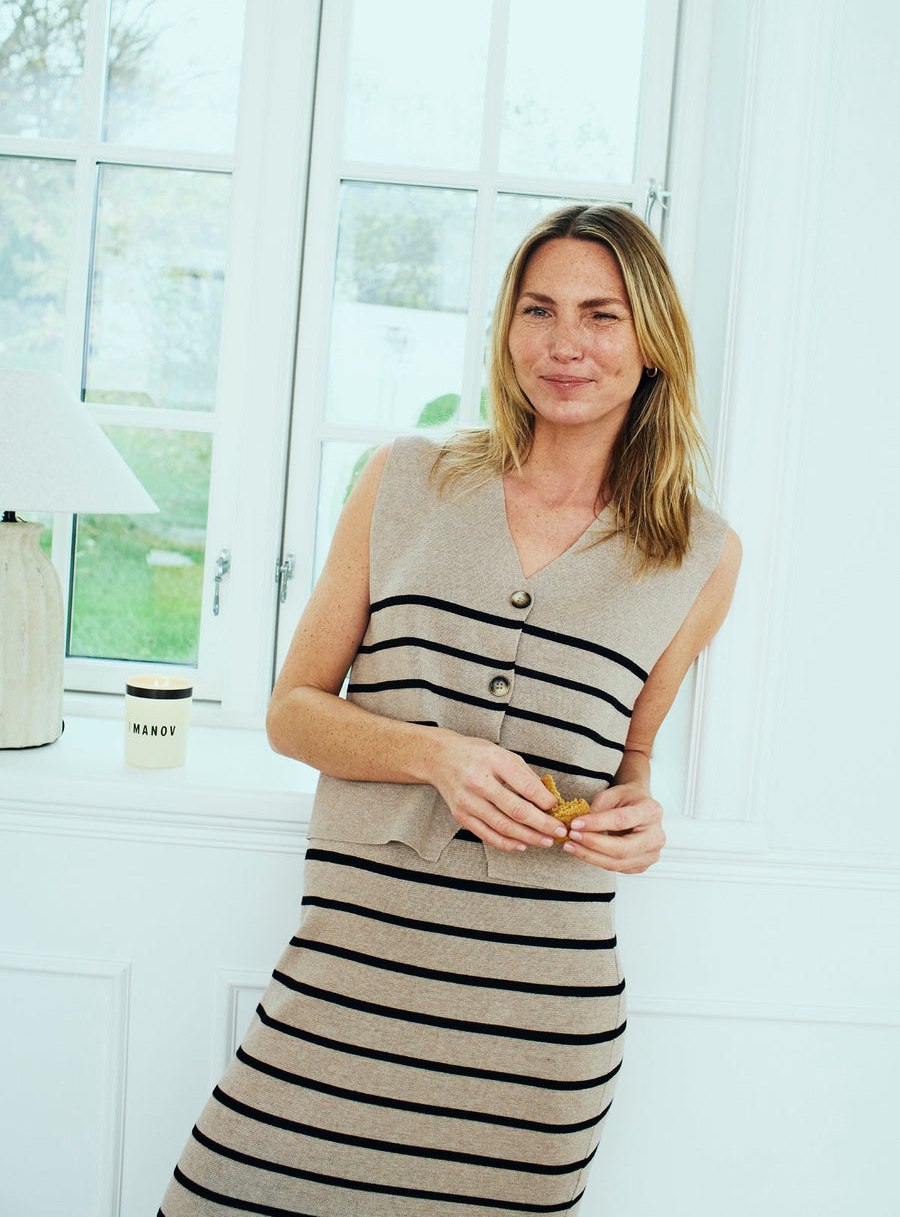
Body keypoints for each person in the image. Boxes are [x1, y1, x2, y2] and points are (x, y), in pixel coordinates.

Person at [159, 204, 741, 1216]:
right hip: (350, 975)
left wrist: (639, 818)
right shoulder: (404, 479)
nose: (564, 342)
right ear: (507, 329)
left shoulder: (701, 553)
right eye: (538, 309)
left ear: (651, 340)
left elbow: (631, 757)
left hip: (537, 1027)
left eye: (601, 314)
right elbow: (293, 711)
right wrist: (436, 756)